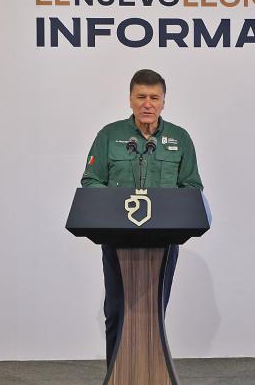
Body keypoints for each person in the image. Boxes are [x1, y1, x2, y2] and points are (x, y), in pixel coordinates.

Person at [80, 69, 203, 367]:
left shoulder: (180, 138)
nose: (147, 104)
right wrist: (114, 205)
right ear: (130, 100)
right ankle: (117, 374)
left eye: (154, 98)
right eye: (141, 97)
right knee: (116, 311)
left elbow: (192, 186)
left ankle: (151, 373)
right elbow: (91, 181)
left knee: (153, 315)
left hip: (163, 243)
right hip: (117, 241)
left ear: (163, 102)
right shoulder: (109, 136)